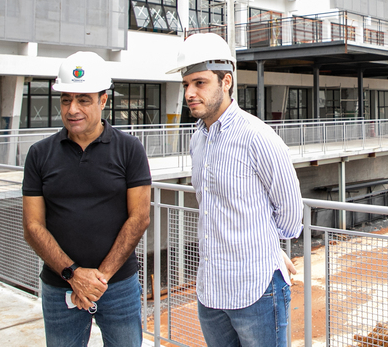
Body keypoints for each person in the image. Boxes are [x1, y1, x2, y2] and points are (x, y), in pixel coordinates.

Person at [167, 33, 303, 347]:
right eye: (186, 84)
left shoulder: (258, 137)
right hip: (211, 293)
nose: (189, 92)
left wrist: (266, 247)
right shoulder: (198, 138)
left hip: (255, 290)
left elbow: (290, 216)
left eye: (199, 83)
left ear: (226, 81)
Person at [22, 51, 151, 347]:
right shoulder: (39, 154)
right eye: (66, 99)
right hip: (59, 287)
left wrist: (98, 280)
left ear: (103, 101)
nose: (72, 109)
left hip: (118, 285)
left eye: (83, 100)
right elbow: (32, 226)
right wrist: (73, 275)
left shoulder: (130, 150)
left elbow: (139, 217)